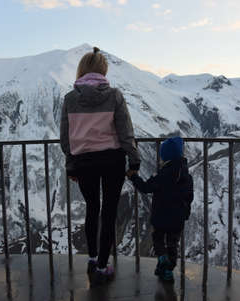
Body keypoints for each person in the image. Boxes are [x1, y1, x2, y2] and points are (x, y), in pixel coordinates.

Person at [60, 47, 140, 286]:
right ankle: (104, 265)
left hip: (84, 162)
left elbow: (66, 137)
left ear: (82, 70)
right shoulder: (114, 95)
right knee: (109, 211)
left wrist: (71, 164)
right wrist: (134, 158)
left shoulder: (70, 99)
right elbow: (125, 132)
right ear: (103, 70)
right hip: (112, 161)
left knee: (92, 208)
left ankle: (92, 258)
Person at [127, 136, 194, 282]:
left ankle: (162, 258)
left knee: (158, 238)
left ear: (165, 157)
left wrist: (134, 178)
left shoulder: (162, 175)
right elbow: (189, 197)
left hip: (161, 216)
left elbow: (146, 187)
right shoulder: (187, 176)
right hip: (178, 219)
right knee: (173, 244)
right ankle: (168, 271)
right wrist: (185, 213)